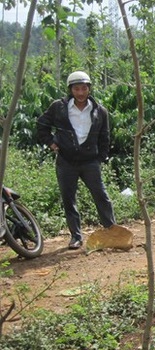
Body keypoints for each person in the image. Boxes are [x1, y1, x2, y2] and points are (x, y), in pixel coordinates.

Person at [37, 71, 116, 250]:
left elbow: (105, 136)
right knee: (68, 199)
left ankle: (111, 231)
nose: (80, 92)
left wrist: (100, 158)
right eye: (76, 89)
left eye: (83, 88)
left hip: (90, 162)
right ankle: (76, 236)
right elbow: (42, 124)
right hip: (66, 161)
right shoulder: (59, 107)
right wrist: (51, 143)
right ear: (70, 90)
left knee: (101, 196)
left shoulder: (100, 111)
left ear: (89, 89)